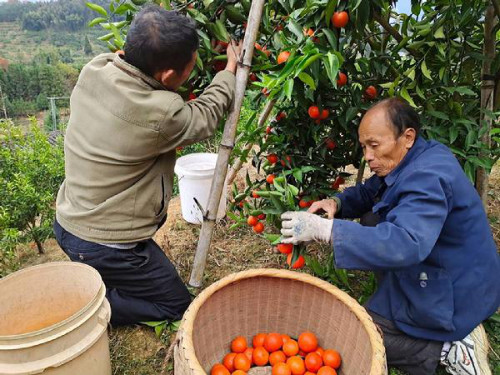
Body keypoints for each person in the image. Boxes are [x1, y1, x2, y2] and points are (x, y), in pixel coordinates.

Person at [280, 98, 500, 375]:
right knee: (373, 217)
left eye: (374, 146)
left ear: (407, 137)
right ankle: (405, 302)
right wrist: (336, 203)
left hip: (457, 291)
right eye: (364, 147)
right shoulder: (415, 157)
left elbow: (405, 243)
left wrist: (327, 230)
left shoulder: (428, 177)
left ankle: (450, 349)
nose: (368, 156)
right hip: (460, 269)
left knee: (362, 334)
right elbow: (372, 190)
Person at [54, 6, 241, 326]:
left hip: (68, 221)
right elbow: (206, 116)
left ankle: (97, 279)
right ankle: (89, 305)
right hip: (105, 244)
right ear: (168, 77)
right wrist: (230, 71)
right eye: (190, 68)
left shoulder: (95, 68)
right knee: (177, 307)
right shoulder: (162, 113)